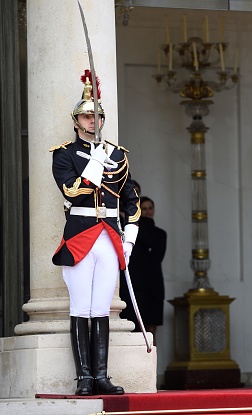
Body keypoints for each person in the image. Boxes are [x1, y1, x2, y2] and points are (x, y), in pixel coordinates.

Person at [50, 70, 140, 396]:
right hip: (81, 234)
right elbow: (71, 192)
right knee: (81, 308)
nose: (93, 121)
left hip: (110, 235)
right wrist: (95, 164)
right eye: (87, 116)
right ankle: (83, 378)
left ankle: (101, 376)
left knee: (101, 307)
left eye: (97, 116)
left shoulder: (118, 153)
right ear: (76, 121)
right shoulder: (64, 154)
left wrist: (129, 238)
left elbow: (130, 199)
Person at [120, 196, 167, 346]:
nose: (147, 212)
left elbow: (156, 256)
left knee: (152, 328)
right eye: (144, 208)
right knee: (136, 328)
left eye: (150, 208)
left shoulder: (160, 233)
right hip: (137, 286)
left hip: (154, 287)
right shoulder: (130, 230)